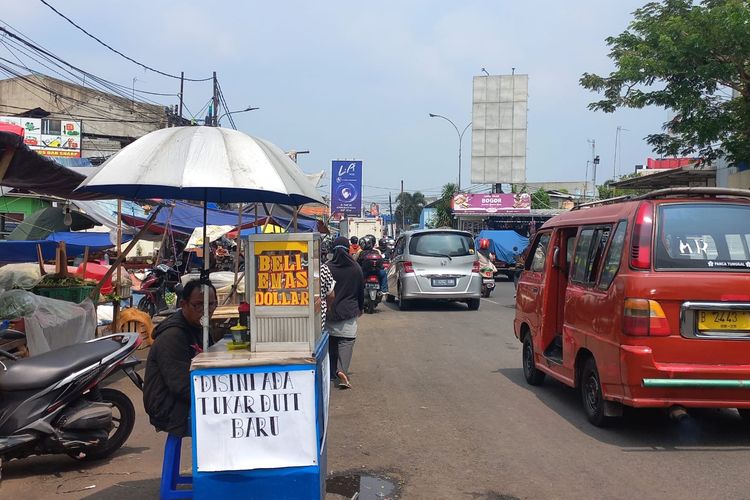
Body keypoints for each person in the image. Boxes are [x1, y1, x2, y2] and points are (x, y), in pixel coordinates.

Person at [143, 280, 218, 437]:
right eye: (197, 305)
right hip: (169, 407)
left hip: (184, 399)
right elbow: (180, 386)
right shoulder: (173, 336)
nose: (206, 310)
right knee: (226, 420)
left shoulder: (200, 328)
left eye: (211, 304)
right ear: (184, 304)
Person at [326, 236, 364, 389]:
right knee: (346, 342)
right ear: (348, 249)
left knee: (332, 343)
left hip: (330, 313)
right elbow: (360, 291)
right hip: (349, 311)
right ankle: (342, 370)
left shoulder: (327, 267)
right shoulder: (356, 268)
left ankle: (330, 373)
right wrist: (360, 308)